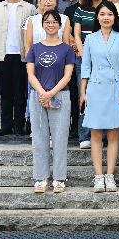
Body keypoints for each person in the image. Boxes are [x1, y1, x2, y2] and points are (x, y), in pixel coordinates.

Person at [79, 1, 119, 193]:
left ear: (115, 17)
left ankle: (110, 175)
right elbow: (86, 67)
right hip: (95, 88)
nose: (106, 17)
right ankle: (98, 176)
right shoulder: (90, 38)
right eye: (102, 14)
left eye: (109, 14)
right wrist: (82, 92)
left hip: (115, 88)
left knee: (114, 135)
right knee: (96, 134)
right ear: (97, 17)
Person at [26, 11, 75, 193]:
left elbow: (68, 76)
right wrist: (43, 93)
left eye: (54, 22)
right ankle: (41, 178)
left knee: (60, 139)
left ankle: (59, 178)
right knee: (39, 138)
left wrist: (51, 93)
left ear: (60, 25)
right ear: (43, 25)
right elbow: (30, 74)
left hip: (60, 95)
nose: (51, 25)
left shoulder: (67, 49)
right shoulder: (34, 48)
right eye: (47, 22)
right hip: (38, 96)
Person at [0, 0, 36, 136]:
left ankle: (19, 125)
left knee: (20, 92)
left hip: (22, 56)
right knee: (6, 92)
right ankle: (6, 125)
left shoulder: (30, 8)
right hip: (3, 55)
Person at [72, 0, 106, 149]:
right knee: (84, 95)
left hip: (105, 59)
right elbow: (77, 35)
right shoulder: (80, 10)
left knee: (104, 97)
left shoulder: (108, 9)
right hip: (83, 58)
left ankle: (103, 136)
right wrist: (85, 55)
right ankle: (84, 136)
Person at [64, 0, 88, 137]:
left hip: (89, 53)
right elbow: (68, 30)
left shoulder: (97, 8)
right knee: (76, 92)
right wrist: (73, 43)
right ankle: (76, 127)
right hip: (75, 54)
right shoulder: (71, 9)